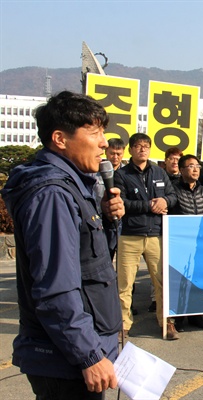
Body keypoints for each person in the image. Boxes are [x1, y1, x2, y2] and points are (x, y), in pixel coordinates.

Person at [0, 91, 125, 399]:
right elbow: (56, 288)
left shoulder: (76, 186)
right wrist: (89, 356)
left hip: (80, 349)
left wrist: (108, 221)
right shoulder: (53, 194)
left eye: (103, 132)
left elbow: (89, 264)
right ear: (60, 138)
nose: (104, 143)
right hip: (64, 360)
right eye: (94, 133)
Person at [115, 133, 179, 340]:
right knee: (124, 284)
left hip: (155, 236)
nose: (142, 149)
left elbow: (172, 196)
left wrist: (165, 202)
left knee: (162, 282)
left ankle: (166, 323)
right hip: (129, 235)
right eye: (138, 146)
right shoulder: (122, 174)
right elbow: (121, 202)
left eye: (146, 146)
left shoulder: (160, 172)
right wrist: (150, 205)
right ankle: (123, 325)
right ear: (131, 150)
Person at [171, 154, 203, 328]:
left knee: (198, 279)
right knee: (180, 280)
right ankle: (178, 317)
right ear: (181, 170)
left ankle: (196, 315)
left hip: (199, 241)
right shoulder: (172, 190)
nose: (195, 169)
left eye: (198, 166)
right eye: (191, 166)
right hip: (179, 241)